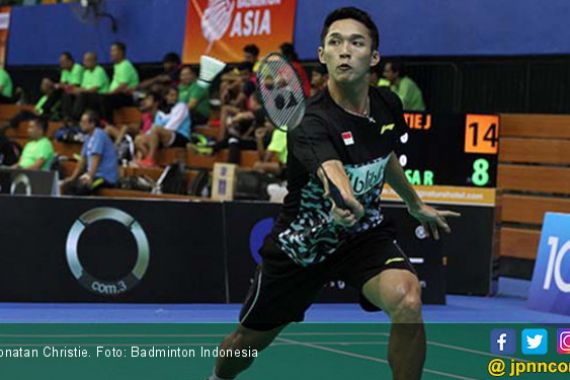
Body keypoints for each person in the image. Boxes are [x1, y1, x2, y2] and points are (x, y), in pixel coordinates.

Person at [205, 7, 460, 380]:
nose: (345, 50)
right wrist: (344, 198)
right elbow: (331, 170)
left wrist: (413, 201)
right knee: (244, 345)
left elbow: (383, 151)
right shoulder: (308, 120)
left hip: (363, 237)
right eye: (335, 42)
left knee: (407, 299)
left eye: (356, 43)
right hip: (302, 246)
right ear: (322, 55)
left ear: (373, 57)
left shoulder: (389, 104)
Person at [62, 110, 118, 195]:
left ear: (92, 123)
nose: (81, 124)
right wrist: (72, 177)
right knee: (68, 186)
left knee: (81, 188)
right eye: (81, 122)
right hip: (93, 174)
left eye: (84, 122)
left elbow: (96, 157)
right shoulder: (88, 137)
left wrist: (90, 176)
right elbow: (82, 160)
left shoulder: (99, 134)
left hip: (104, 176)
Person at [135, 87, 191, 168]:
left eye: (175, 95)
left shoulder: (181, 106)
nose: (174, 97)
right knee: (139, 139)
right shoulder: (160, 112)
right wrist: (147, 137)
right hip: (163, 136)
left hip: (180, 137)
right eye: (171, 95)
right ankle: (150, 163)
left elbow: (173, 126)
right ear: (166, 96)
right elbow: (154, 128)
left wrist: (156, 134)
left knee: (155, 129)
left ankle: (150, 158)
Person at [67, 52, 110, 122]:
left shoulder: (99, 71)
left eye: (87, 60)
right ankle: (67, 117)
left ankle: (75, 118)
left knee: (82, 95)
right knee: (68, 94)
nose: (84, 62)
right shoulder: (86, 73)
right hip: (88, 96)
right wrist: (75, 90)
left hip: (100, 96)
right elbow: (83, 87)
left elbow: (95, 89)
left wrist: (81, 91)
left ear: (94, 61)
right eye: (84, 60)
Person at [103, 42, 140, 122]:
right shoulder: (117, 65)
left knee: (106, 99)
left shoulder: (125, 65)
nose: (111, 53)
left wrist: (110, 93)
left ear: (121, 52)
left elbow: (123, 85)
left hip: (128, 95)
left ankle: (109, 123)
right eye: (111, 51)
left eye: (113, 51)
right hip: (118, 95)